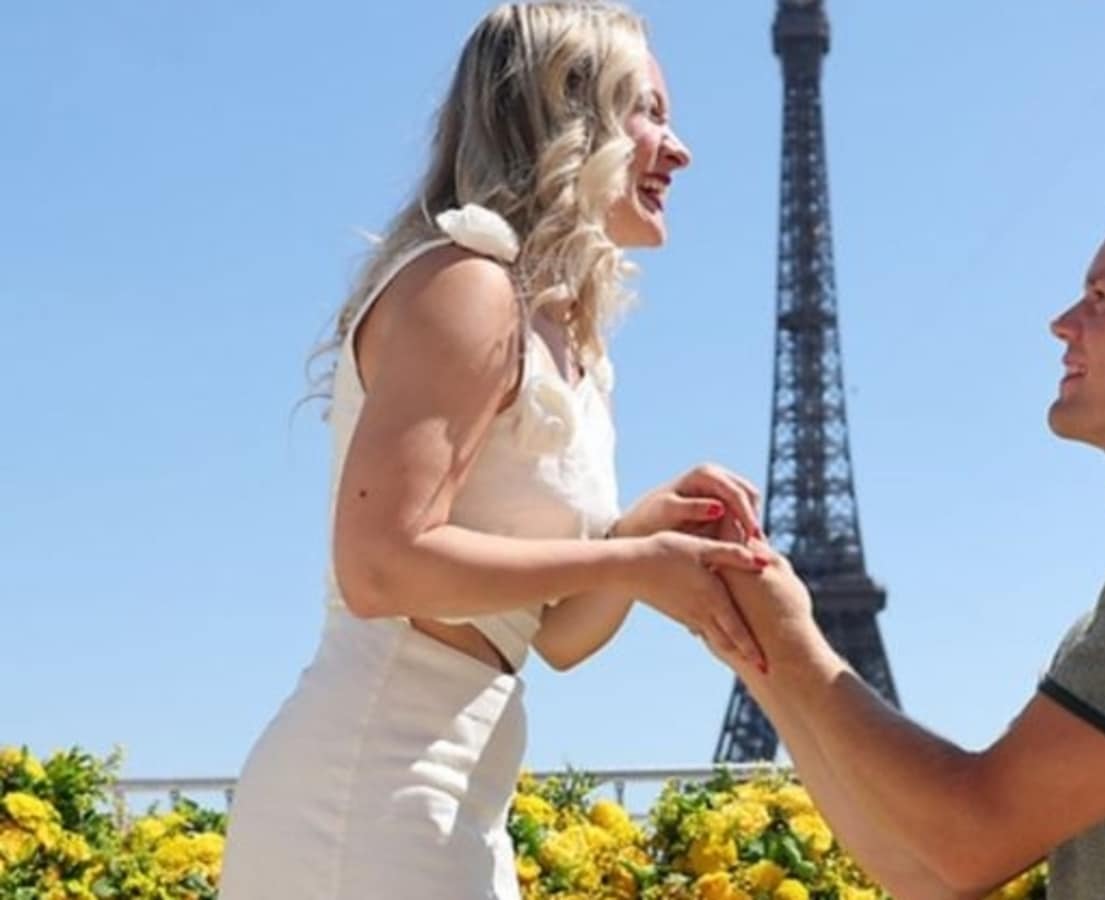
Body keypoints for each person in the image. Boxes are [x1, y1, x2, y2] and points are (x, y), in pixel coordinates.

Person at [218, 4, 771, 897]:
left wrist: (636, 543)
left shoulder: (566, 340)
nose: (679, 148)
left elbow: (553, 641)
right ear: (566, 114)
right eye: (650, 110)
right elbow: (382, 567)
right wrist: (635, 556)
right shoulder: (467, 285)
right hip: (366, 799)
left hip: (453, 797)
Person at [706, 167, 1105, 899]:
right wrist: (752, 638)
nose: (1062, 322)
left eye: (1102, 300)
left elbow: (968, 839)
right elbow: (926, 872)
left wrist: (789, 634)